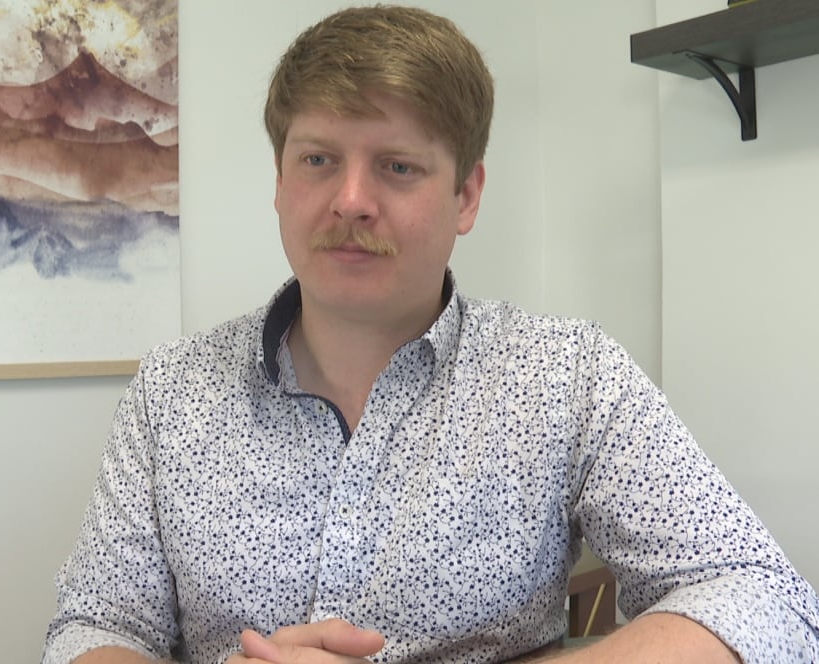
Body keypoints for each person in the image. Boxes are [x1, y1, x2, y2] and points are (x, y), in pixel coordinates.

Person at [43, 5, 819, 664]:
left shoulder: (565, 376)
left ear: (466, 195)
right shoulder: (170, 392)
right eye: (318, 159)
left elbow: (766, 601)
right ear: (279, 183)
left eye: (398, 167)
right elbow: (93, 627)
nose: (350, 200)